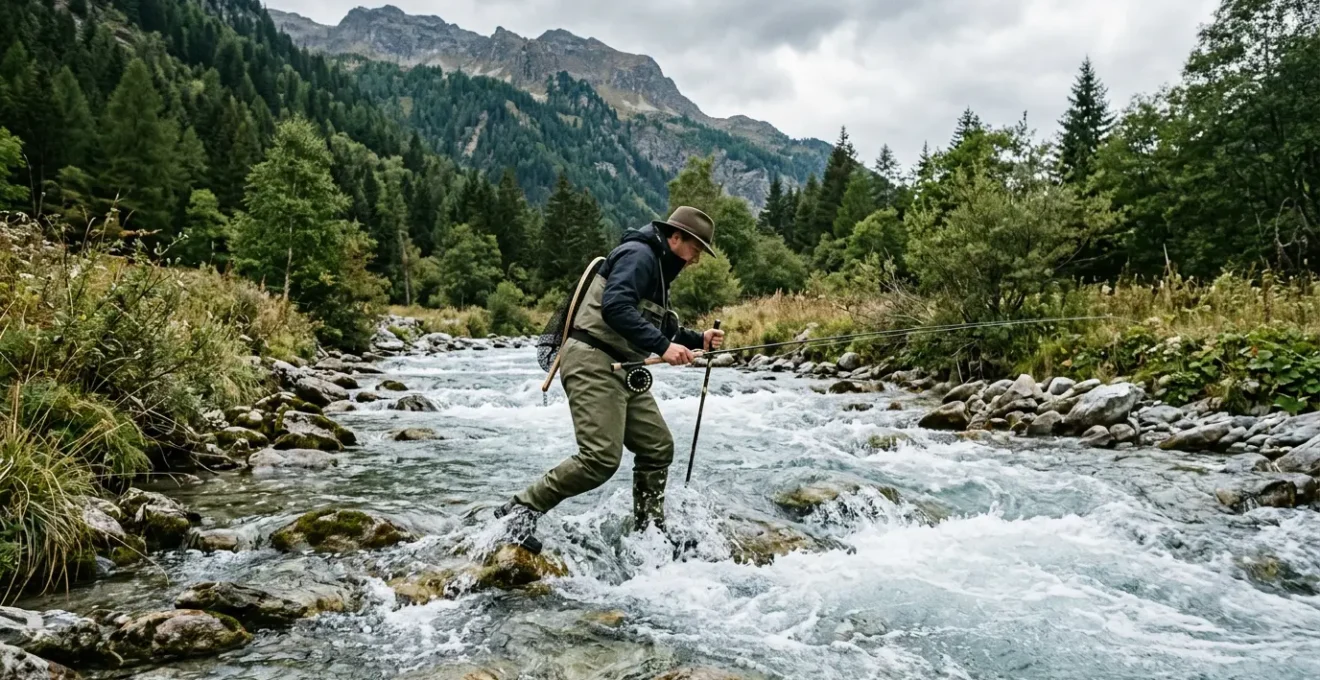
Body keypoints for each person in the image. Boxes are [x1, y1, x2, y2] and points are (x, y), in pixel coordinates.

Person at [496, 206, 725, 552]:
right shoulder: (640, 255)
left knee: (657, 446)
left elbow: (655, 322)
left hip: (624, 366)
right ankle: (519, 511)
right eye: (695, 249)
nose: (696, 259)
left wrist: (696, 339)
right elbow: (615, 308)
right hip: (593, 360)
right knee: (600, 458)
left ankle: (650, 534)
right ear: (676, 237)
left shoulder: (660, 267)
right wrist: (663, 348)